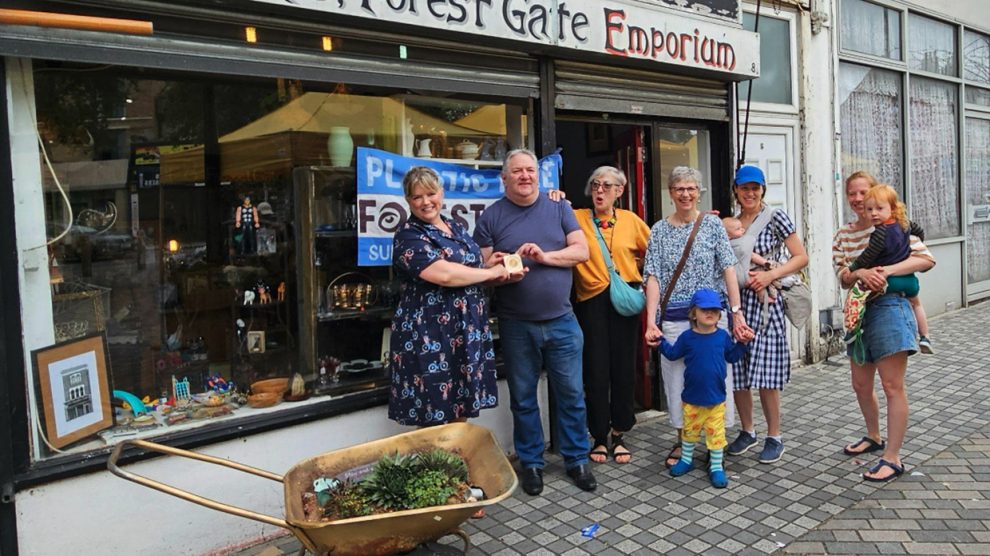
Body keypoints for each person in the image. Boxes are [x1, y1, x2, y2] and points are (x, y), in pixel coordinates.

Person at [473, 149, 596, 496]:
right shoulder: (491, 217)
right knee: (524, 398)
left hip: (562, 321)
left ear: (537, 176)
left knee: (572, 394)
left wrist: (544, 257)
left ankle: (577, 459)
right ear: (504, 178)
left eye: (530, 170)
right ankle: (531, 464)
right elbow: (482, 271)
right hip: (516, 325)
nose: (525, 176)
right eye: (517, 171)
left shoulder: (559, 208)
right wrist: (497, 270)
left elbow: (581, 252)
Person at [643, 166, 752, 470]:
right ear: (670, 193)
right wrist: (651, 320)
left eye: (691, 188)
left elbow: (728, 268)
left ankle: (715, 441)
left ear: (699, 193)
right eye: (679, 188)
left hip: (712, 317)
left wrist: (736, 313)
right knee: (677, 380)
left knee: (716, 375)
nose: (686, 194)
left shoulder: (713, 225)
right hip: (675, 319)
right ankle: (683, 440)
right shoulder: (658, 230)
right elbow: (652, 277)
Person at [388, 166, 513, 428]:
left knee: (460, 407)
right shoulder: (409, 234)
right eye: (417, 197)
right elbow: (443, 274)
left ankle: (456, 455)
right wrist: (490, 274)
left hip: (463, 331)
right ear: (408, 200)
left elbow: (466, 268)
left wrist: (489, 265)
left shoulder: (454, 226)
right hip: (429, 335)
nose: (426, 202)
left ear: (442, 193)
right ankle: (438, 457)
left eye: (431, 193)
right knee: (433, 413)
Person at [833, 170, 935, 482]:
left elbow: (926, 260)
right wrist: (860, 274)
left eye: (864, 192)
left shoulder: (896, 226)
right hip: (859, 312)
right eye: (852, 193)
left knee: (892, 386)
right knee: (861, 385)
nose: (858, 199)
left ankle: (893, 458)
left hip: (890, 308)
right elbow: (843, 277)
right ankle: (874, 436)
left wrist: (887, 271)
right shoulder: (844, 234)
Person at [725, 165, 808, 465]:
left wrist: (770, 275)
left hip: (766, 305)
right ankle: (748, 431)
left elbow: (801, 257)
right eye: (744, 188)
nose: (750, 193)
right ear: (736, 190)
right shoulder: (731, 223)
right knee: (739, 371)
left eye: (755, 188)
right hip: (737, 304)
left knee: (767, 372)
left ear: (762, 190)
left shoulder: (775, 217)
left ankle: (775, 436)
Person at [572, 166, 650, 465]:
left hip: (624, 300)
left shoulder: (631, 220)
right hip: (591, 301)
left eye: (606, 186)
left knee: (623, 367)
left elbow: (654, 251)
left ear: (619, 191)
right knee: (595, 369)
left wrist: (636, 270)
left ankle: (619, 432)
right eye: (595, 185)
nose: (599, 191)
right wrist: (554, 195)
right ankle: (598, 435)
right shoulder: (577, 217)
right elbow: (549, 214)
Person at [659, 288, 750, 488]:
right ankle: (686, 460)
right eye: (704, 310)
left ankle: (716, 467)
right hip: (691, 399)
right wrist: (660, 341)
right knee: (689, 433)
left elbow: (731, 357)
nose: (710, 313)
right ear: (693, 314)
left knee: (716, 435)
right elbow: (673, 354)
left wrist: (742, 344)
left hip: (716, 400)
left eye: (715, 310)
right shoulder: (686, 337)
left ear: (720, 315)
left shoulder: (723, 336)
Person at [842, 185, 934, 355]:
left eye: (879, 209)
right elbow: (920, 232)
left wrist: (854, 267)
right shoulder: (905, 225)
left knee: (856, 297)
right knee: (916, 303)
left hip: (887, 280)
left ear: (892, 208)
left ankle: (852, 330)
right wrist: (912, 243)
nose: (874, 213)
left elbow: (869, 255)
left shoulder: (880, 232)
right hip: (908, 279)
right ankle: (925, 336)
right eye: (869, 209)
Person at [723, 216, 782, 327]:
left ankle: (768, 293)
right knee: (755, 281)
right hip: (742, 275)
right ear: (728, 235)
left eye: (742, 227)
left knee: (759, 278)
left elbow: (752, 256)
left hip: (747, 272)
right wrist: (765, 263)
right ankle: (765, 296)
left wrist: (766, 264)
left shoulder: (736, 243)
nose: (743, 230)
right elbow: (752, 256)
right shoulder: (729, 246)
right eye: (738, 229)